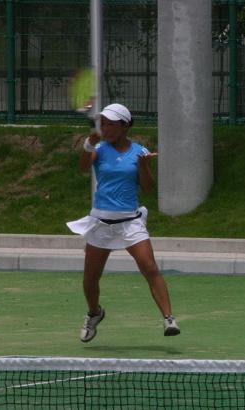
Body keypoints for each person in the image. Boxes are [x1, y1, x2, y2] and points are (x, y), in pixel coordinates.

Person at [67, 103, 180, 342]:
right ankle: (94, 313)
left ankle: (169, 318)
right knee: (90, 279)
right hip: (100, 223)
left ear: (124, 126)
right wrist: (88, 144)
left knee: (150, 268)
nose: (105, 128)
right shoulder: (99, 149)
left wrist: (144, 166)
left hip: (130, 223)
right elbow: (83, 168)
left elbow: (148, 189)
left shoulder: (140, 152)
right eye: (103, 124)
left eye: (110, 124)